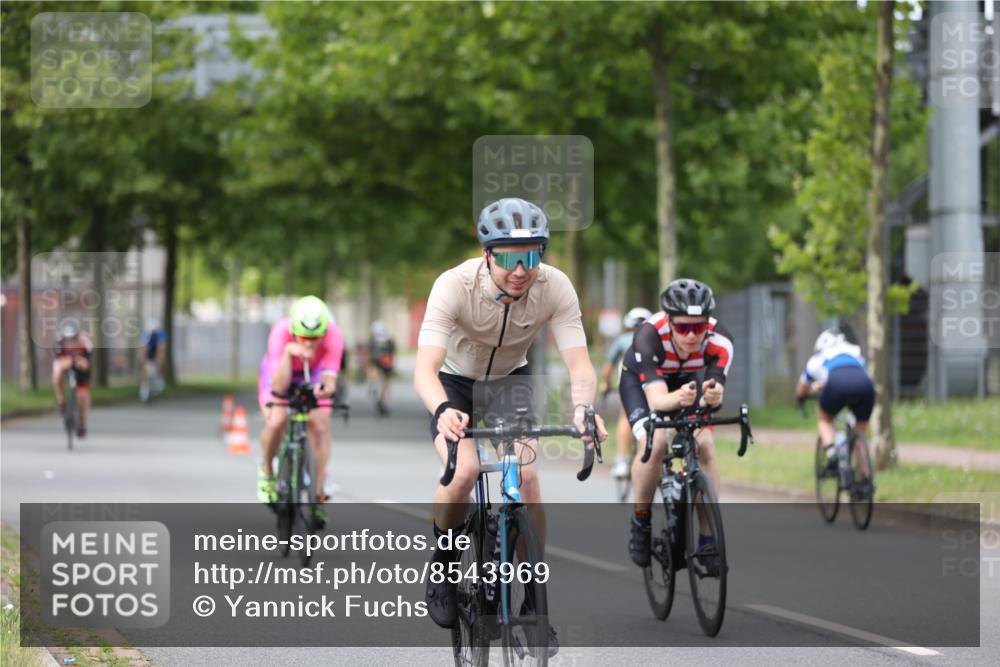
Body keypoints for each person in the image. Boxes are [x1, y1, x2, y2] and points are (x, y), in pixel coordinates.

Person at [413, 197, 608, 649]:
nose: (520, 269)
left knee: (526, 474)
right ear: (487, 253)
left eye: (532, 255)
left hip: (509, 381)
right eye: (507, 256)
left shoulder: (556, 287)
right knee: (462, 472)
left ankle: (531, 601)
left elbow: (580, 366)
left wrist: (583, 408)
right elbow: (424, 370)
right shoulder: (453, 285)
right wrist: (442, 409)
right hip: (453, 382)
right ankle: (443, 562)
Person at [618, 279, 734, 567]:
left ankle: (708, 539)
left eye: (699, 327)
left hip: (687, 383)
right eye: (683, 327)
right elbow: (657, 402)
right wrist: (679, 398)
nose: (692, 335)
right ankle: (641, 519)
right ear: (669, 322)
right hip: (643, 385)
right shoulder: (648, 336)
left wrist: (713, 394)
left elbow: (713, 392)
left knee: (704, 444)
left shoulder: (721, 341)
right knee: (654, 443)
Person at [256, 296, 344, 525]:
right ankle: (266, 473)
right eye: (304, 337)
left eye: (315, 339)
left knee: (320, 425)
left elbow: (330, 377)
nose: (309, 344)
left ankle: (317, 493)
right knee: (276, 420)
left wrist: (325, 389)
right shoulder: (280, 332)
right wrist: (288, 353)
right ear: (294, 330)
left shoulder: (334, 335)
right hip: (281, 373)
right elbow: (277, 386)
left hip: (313, 374)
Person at [794, 328, 875, 477]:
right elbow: (857, 373)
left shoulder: (818, 358)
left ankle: (832, 456)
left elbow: (802, 388)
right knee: (859, 431)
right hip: (865, 385)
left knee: (824, 418)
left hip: (837, 384)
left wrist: (801, 398)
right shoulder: (855, 353)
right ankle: (865, 478)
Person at [601, 307, 653, 479]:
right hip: (652, 382)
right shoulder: (655, 339)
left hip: (629, 382)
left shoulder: (622, 340)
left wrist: (606, 385)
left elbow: (608, 368)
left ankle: (622, 460)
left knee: (625, 416)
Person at [52, 320, 93, 438]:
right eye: (68, 339)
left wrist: (80, 363)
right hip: (65, 363)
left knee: (83, 396)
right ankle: (61, 401)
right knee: (57, 372)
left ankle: (82, 423)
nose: (71, 342)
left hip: (81, 367)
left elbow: (86, 364)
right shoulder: (59, 341)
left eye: (73, 339)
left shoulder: (86, 342)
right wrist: (68, 362)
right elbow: (59, 361)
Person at [368, 320, 395, 416]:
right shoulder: (389, 341)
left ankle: (373, 385)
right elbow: (392, 353)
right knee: (385, 382)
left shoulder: (372, 340)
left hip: (379, 361)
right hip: (385, 361)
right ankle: (384, 400)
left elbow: (370, 353)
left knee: (378, 377)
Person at [138, 320, 166, 401]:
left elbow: (161, 348)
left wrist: (159, 360)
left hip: (156, 351)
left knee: (160, 364)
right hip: (148, 351)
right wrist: (143, 359)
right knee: (145, 368)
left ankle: (159, 379)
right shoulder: (145, 334)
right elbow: (143, 348)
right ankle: (144, 388)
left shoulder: (160, 334)